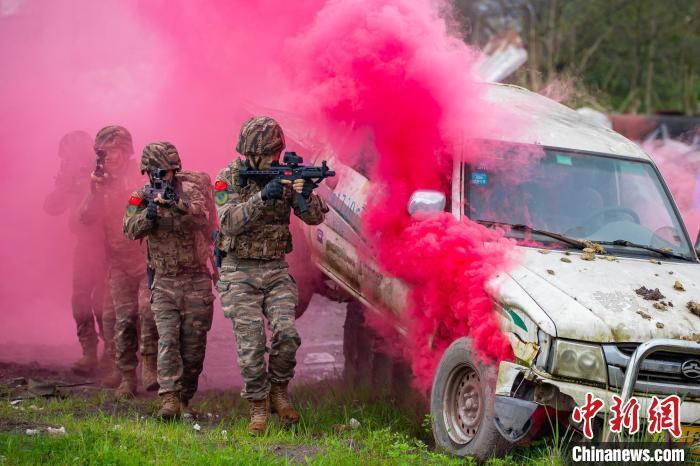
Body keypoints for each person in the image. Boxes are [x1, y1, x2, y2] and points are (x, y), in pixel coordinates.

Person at [214, 116, 328, 434]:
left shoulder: (283, 175)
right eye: (267, 154)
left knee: (287, 335)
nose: (272, 160)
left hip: (275, 269)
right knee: (251, 345)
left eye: (275, 154)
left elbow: (315, 218)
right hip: (239, 270)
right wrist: (264, 196)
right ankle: (258, 406)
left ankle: (278, 391)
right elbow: (228, 222)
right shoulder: (228, 178)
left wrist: (303, 192)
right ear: (250, 152)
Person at [124, 141, 216, 420]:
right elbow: (128, 228)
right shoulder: (140, 197)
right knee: (167, 342)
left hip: (196, 280)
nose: (159, 178)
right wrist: (148, 216)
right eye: (153, 173)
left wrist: (177, 205)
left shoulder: (192, 189)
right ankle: (169, 401)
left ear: (174, 169)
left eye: (163, 172)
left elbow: (206, 218)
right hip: (164, 280)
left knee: (193, 346)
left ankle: (185, 398)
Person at [79, 125, 158, 398]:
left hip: (146, 258)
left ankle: (150, 366)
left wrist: (120, 188)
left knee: (147, 314)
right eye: (101, 152)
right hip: (118, 262)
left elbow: (151, 210)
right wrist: (94, 191)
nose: (106, 157)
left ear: (125, 152)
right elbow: (85, 218)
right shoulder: (101, 180)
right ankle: (124, 373)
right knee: (114, 319)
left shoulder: (143, 176)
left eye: (111, 151)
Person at [44, 131, 107, 375]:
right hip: (85, 243)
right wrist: (65, 187)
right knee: (80, 297)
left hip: (107, 244)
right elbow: (52, 207)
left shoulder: (103, 169)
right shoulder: (68, 173)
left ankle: (112, 352)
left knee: (103, 300)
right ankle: (89, 352)